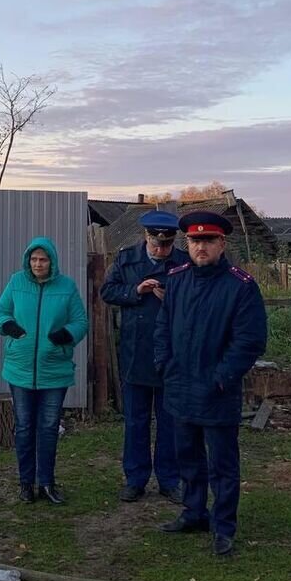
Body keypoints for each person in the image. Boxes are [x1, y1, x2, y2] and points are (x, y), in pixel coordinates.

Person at [154, 211, 267, 556]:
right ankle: (193, 513)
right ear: (187, 243)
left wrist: (221, 379)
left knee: (222, 465)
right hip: (180, 389)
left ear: (222, 243)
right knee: (187, 458)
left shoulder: (240, 286)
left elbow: (249, 341)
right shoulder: (176, 279)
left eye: (208, 240)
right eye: (194, 241)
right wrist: (164, 366)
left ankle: (223, 526)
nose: (200, 247)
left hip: (217, 393)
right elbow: (163, 328)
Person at [100, 210, 190, 505]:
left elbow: (198, 297)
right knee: (136, 422)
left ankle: (169, 479)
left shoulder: (184, 263)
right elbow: (107, 292)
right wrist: (135, 291)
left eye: (166, 245)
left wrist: (173, 299)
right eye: (155, 243)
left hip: (171, 355)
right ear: (146, 237)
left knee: (169, 422)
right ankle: (135, 480)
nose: (160, 250)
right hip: (136, 352)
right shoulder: (126, 260)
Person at [0, 237, 89, 505]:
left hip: (54, 371)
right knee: (24, 427)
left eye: (43, 259)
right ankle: (26, 484)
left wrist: (65, 335)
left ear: (52, 261)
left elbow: (81, 321)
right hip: (20, 369)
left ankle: (46, 482)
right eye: (34, 259)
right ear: (28, 260)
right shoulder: (16, 282)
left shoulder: (67, 287)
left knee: (47, 427)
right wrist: (8, 326)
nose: (38, 264)